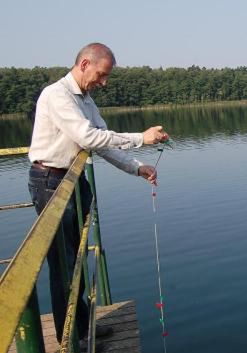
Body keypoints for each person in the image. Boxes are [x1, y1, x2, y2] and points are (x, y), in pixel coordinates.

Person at [27, 42, 168, 344]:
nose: (104, 83)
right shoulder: (57, 95)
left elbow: (102, 144)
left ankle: (82, 325)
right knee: (63, 265)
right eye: (102, 75)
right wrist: (140, 138)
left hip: (73, 181)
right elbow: (87, 136)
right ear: (85, 64)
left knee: (75, 260)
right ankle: (71, 338)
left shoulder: (86, 100)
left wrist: (137, 168)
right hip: (50, 181)